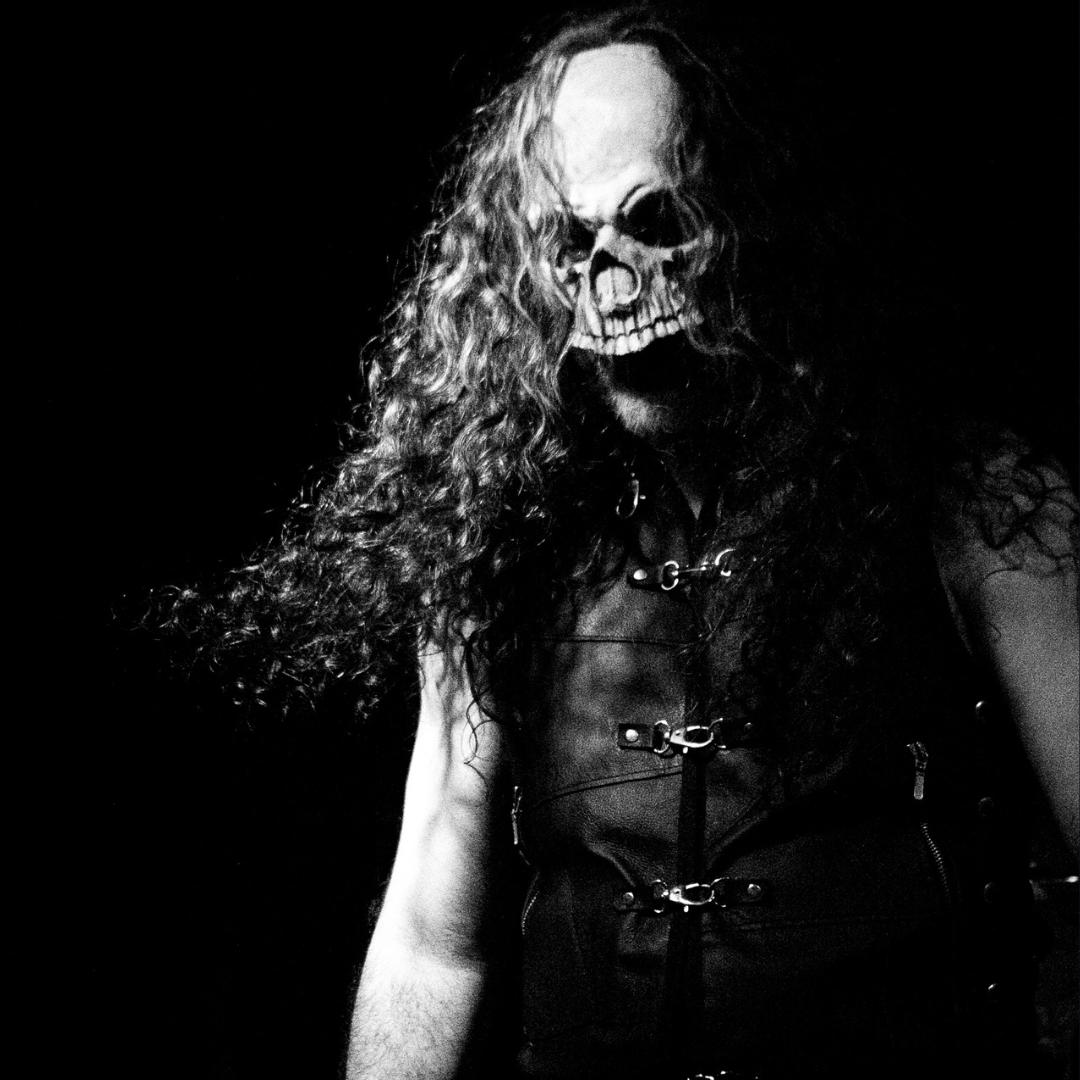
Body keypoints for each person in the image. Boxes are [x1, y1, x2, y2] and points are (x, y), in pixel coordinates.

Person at [165, 8, 1076, 1078]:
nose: (613, 280)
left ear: (751, 219)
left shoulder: (976, 503)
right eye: (570, 244)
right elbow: (430, 942)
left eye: (658, 222)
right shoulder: (496, 551)